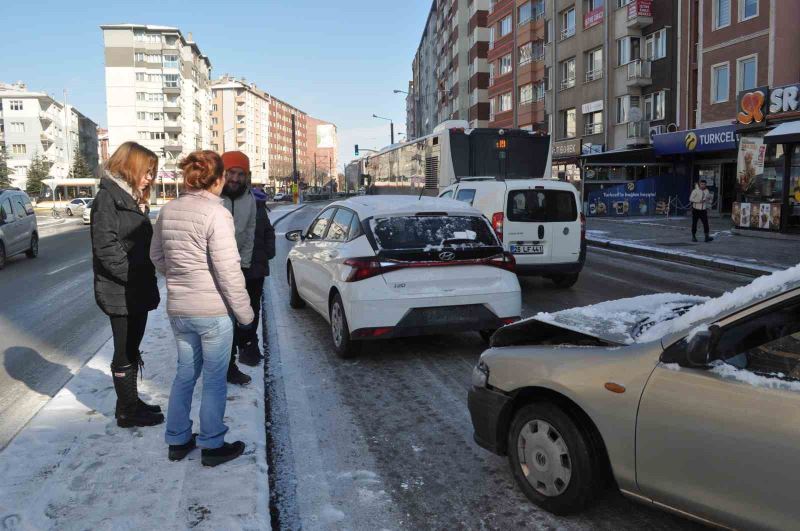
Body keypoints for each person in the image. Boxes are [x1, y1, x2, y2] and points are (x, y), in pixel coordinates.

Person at [150, 150, 255, 467]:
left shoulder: (168, 210)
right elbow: (228, 270)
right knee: (213, 379)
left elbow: (156, 256)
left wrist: (182, 276)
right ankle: (212, 444)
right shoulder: (217, 214)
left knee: (184, 374)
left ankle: (178, 439)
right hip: (211, 313)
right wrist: (246, 316)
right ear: (218, 179)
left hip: (179, 310)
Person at [90, 141, 163, 428]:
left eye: (152, 172)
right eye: (147, 171)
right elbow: (106, 247)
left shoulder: (128, 197)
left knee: (132, 347)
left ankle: (130, 403)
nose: (149, 177)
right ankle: (128, 412)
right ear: (129, 166)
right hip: (121, 289)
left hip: (135, 286)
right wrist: (132, 276)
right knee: (124, 350)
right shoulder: (108, 199)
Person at [220, 152, 276, 372]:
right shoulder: (213, 200)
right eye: (231, 173)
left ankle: (248, 346)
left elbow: (267, 231)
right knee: (227, 317)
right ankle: (230, 359)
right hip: (224, 268)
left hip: (253, 268)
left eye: (240, 174)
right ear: (222, 174)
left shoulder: (255, 202)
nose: (235, 178)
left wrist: (266, 253)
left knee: (251, 311)